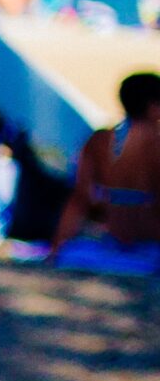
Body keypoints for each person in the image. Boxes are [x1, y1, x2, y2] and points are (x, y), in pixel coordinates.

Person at [50, 72, 160, 260]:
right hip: (150, 243)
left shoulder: (100, 140)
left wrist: (56, 248)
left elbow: (80, 198)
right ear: (153, 106)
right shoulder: (155, 142)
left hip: (110, 240)